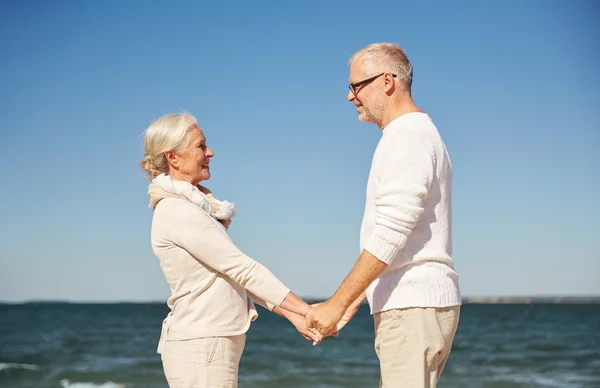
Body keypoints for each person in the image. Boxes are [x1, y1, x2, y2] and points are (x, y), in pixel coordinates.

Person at [306, 42, 462, 388]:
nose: (350, 97)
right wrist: (355, 301)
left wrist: (337, 303)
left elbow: (392, 232)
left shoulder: (407, 137)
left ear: (387, 81)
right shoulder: (414, 134)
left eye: (356, 86)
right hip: (416, 305)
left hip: (412, 306)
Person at [140, 113, 322, 388]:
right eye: (201, 146)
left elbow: (233, 277)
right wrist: (307, 311)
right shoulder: (178, 211)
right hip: (202, 349)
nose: (210, 152)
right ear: (173, 157)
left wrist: (294, 316)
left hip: (207, 346)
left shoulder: (192, 207)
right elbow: (243, 269)